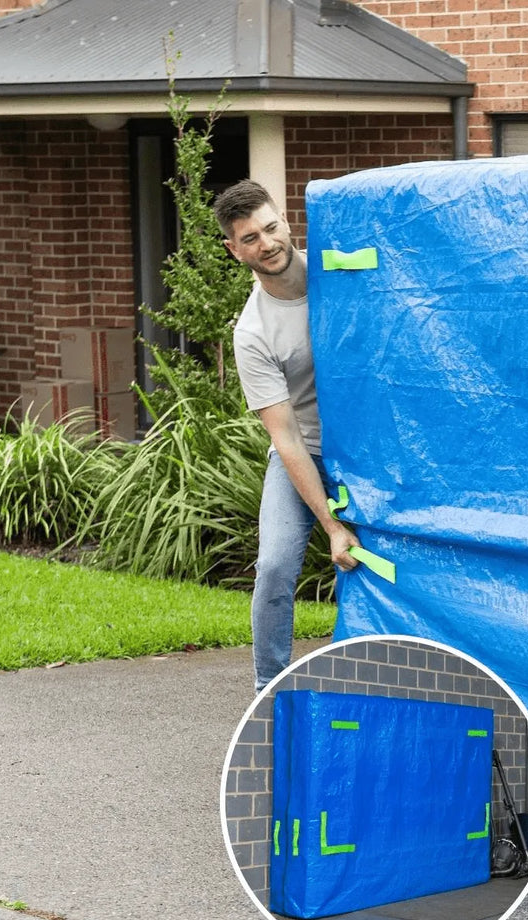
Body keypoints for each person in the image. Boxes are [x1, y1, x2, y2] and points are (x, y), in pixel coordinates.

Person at [214, 179, 359, 692]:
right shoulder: (253, 334)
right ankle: (267, 692)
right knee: (274, 565)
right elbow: (287, 439)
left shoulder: (340, 273)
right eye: (250, 238)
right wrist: (331, 525)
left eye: (270, 227)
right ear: (235, 250)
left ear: (286, 221)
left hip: (372, 448)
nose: (267, 243)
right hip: (308, 449)